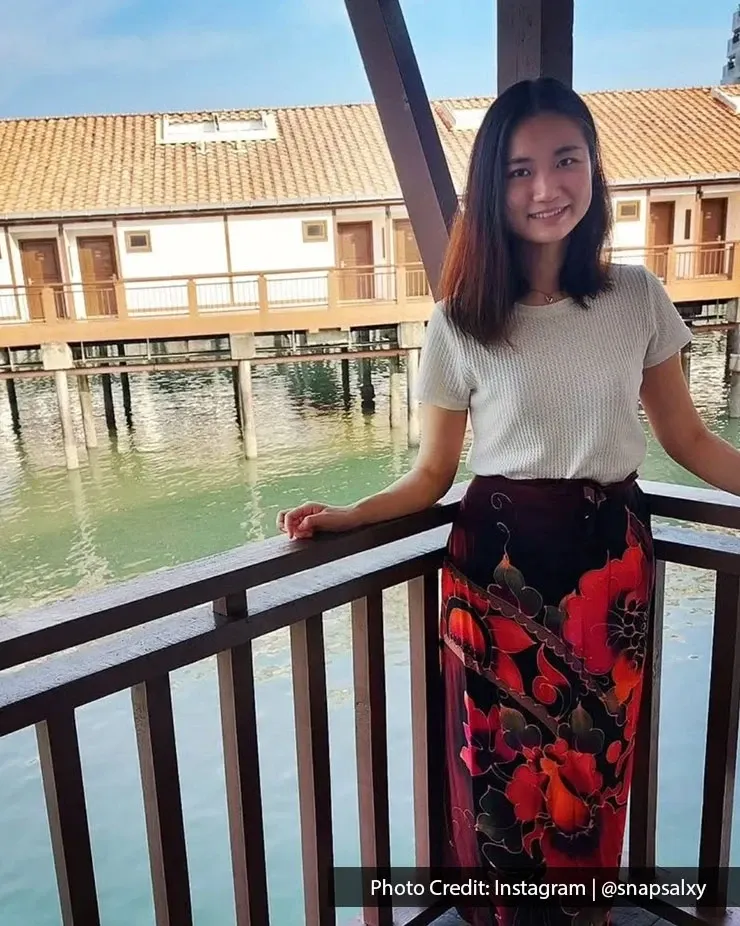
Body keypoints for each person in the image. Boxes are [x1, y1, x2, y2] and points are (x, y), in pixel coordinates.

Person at [277, 78, 740, 925]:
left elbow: (691, 439)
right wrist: (343, 516)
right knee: (500, 771)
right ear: (492, 187)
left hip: (610, 564)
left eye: (566, 162)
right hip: (495, 573)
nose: (545, 188)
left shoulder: (636, 296)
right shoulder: (458, 320)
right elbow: (430, 478)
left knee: (596, 772)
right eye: (520, 170)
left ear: (594, 172)